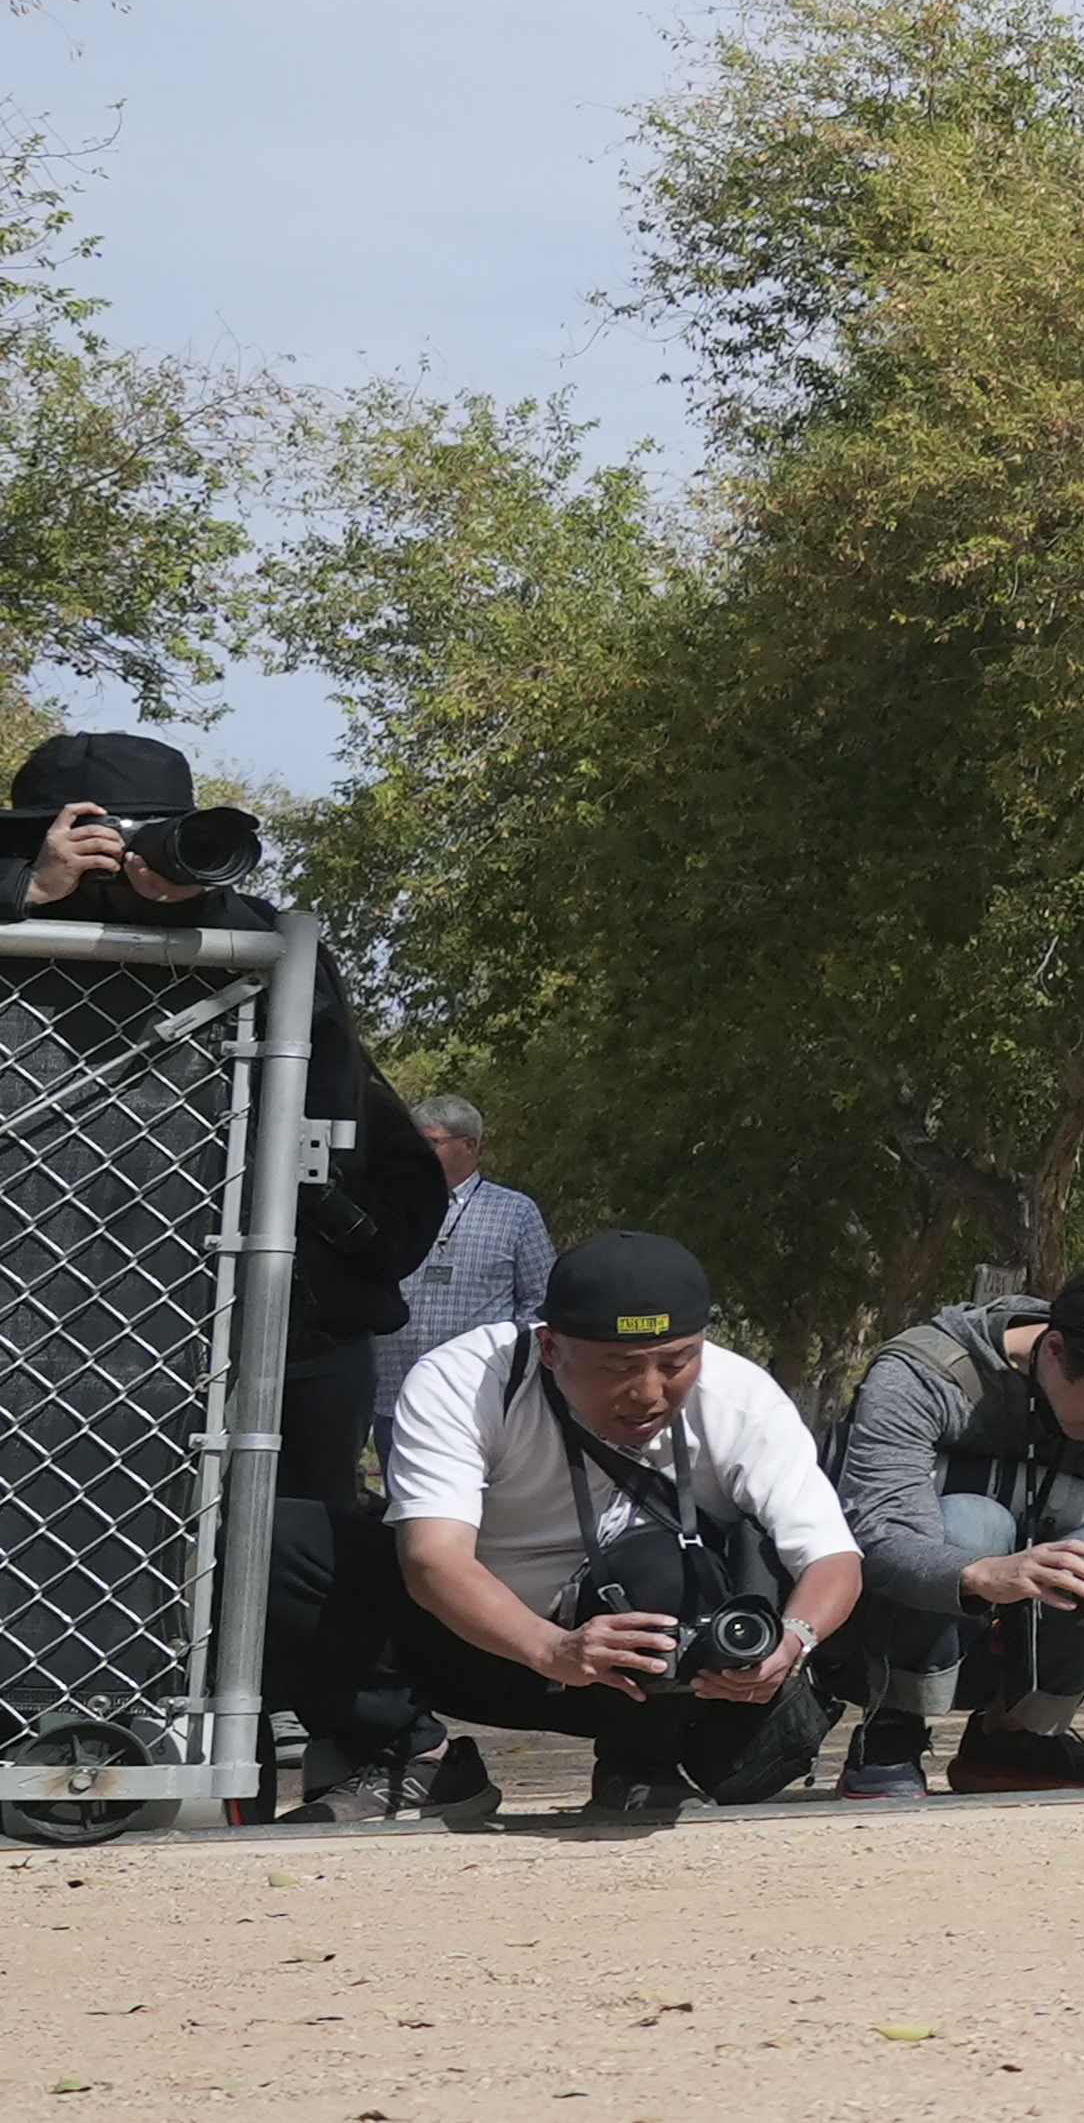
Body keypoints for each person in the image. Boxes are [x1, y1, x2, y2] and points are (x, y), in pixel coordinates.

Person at [272, 1228, 860, 1823]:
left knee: (666, 1565)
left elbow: (833, 1558)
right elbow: (433, 1559)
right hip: (480, 1644)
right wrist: (549, 1647)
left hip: (645, 1678)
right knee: (282, 1541)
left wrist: (794, 1642)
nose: (650, 1393)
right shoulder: (466, 1380)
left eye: (677, 1362)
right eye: (619, 1366)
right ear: (551, 1347)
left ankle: (641, 1766)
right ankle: (416, 1759)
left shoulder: (740, 1397)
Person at [9, 731, 445, 1508]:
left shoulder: (256, 943)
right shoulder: (19, 923)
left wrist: (200, 901)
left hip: (255, 1315)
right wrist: (26, 895)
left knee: (288, 1546)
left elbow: (345, 1123)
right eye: (105, 839)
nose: (134, 861)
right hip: (35, 1312)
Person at [824, 1260, 1084, 1795]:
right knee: (973, 1524)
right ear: (1053, 1351)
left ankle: (1019, 1737)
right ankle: (891, 1729)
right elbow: (879, 1532)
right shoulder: (921, 1373)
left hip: (1046, 1622)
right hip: (904, 1618)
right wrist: (978, 1573)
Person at [370, 1095, 558, 1465]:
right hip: (393, 1396)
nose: (416, 1154)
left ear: (469, 1145)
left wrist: (512, 1370)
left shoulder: (513, 1212)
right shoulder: (390, 1205)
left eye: (430, 1143)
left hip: (478, 1399)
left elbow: (540, 1301)